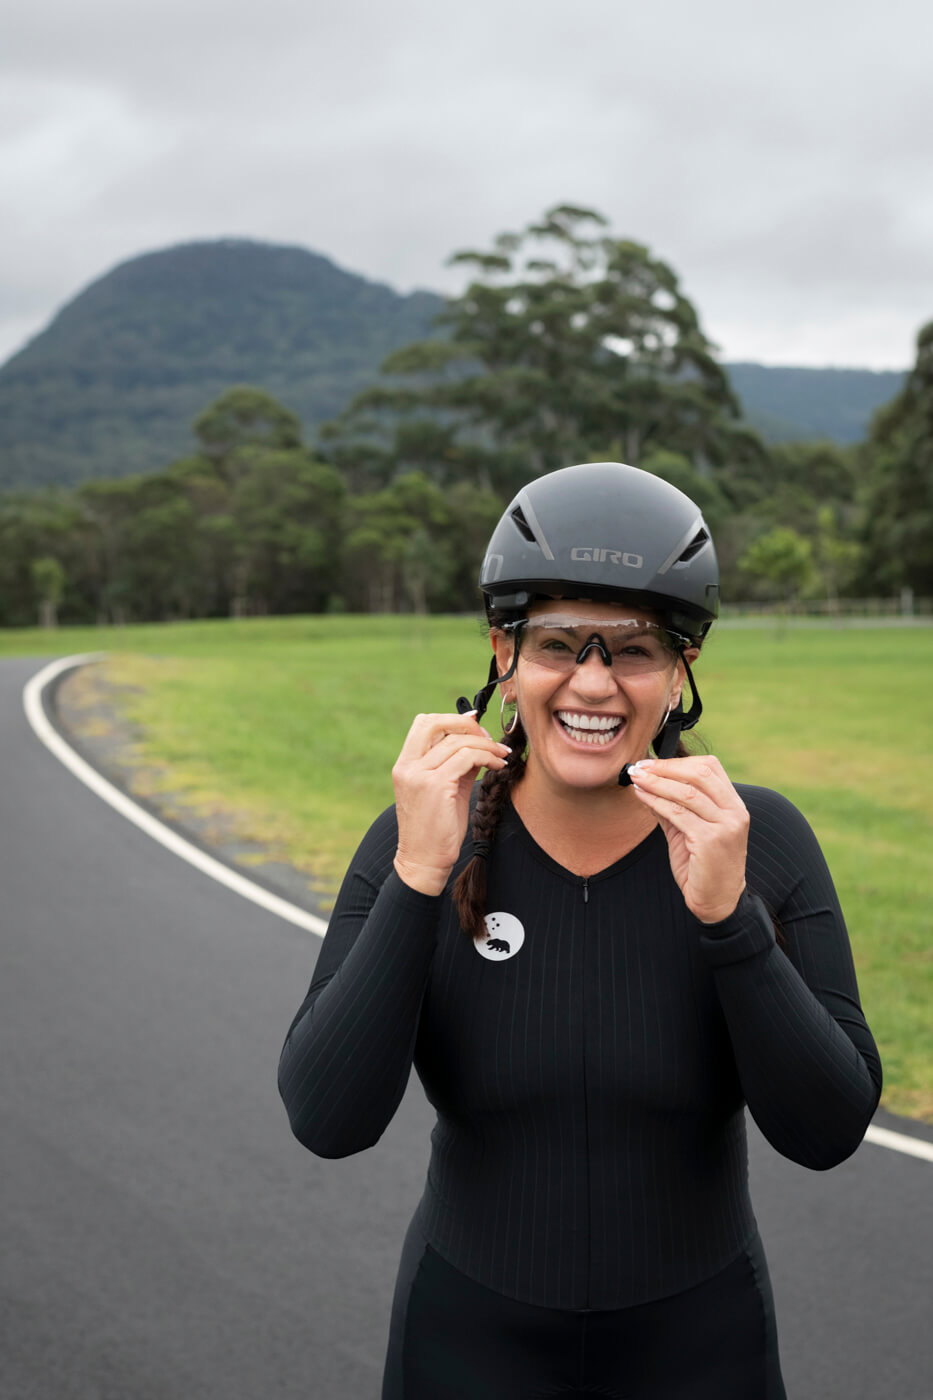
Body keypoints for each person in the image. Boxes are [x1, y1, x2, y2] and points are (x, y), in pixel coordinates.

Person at [278, 461, 882, 1399]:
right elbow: (327, 1120)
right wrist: (415, 878)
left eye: (633, 647)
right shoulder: (422, 837)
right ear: (501, 654)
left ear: (683, 667)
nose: (593, 683)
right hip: (468, 1343)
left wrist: (729, 922)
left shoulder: (758, 842)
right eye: (558, 641)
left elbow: (827, 1130)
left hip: (699, 1348)